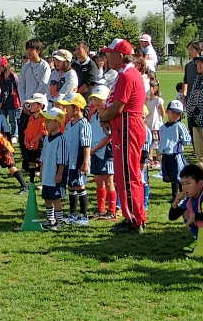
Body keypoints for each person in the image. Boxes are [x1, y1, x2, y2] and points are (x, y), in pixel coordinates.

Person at [98, 39, 148, 233]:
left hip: (128, 124)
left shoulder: (127, 75)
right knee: (122, 174)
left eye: (109, 54)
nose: (106, 57)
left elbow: (118, 107)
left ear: (120, 56)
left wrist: (103, 118)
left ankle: (136, 219)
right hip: (123, 126)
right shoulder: (124, 73)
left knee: (128, 175)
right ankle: (131, 216)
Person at [57, 93, 91, 225]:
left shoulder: (83, 124)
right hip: (69, 161)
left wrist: (85, 162)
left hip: (78, 161)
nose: (66, 110)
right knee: (71, 186)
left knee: (80, 185)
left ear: (76, 108)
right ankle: (73, 213)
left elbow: (86, 144)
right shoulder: (69, 124)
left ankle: (84, 215)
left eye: (68, 107)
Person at [18, 39, 51, 169]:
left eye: (31, 49)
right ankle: (27, 161)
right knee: (23, 134)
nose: (29, 52)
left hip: (39, 107)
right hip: (27, 106)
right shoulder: (25, 67)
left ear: (38, 50)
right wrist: (25, 104)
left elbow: (43, 86)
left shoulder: (44, 66)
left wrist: (33, 104)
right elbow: (21, 86)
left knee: (38, 136)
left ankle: (38, 162)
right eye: (28, 49)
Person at [0, 94, 28, 195]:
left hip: (3, 146)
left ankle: (24, 186)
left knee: (12, 168)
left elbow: (7, 132)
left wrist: (8, 146)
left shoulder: (2, 117)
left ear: (0, 105)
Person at [88, 85, 117, 221]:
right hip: (95, 152)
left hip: (106, 152)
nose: (97, 102)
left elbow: (109, 136)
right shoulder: (93, 116)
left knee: (109, 181)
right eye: (94, 99)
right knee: (99, 181)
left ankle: (112, 211)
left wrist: (94, 149)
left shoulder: (109, 116)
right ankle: (101, 209)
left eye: (100, 99)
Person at [38, 108, 68, 230]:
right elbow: (43, 156)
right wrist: (41, 171)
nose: (46, 124)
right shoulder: (46, 138)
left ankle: (60, 221)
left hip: (55, 174)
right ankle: (50, 219)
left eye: (49, 121)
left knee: (56, 198)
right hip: (46, 173)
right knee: (47, 197)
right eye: (46, 121)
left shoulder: (61, 139)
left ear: (57, 123)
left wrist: (59, 173)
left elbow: (62, 159)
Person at [158, 100, 191, 202]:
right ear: (167, 111)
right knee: (170, 176)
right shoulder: (163, 127)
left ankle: (182, 196)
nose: (175, 115)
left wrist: (181, 141)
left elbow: (187, 140)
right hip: (166, 156)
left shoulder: (180, 126)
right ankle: (174, 195)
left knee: (179, 176)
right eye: (173, 112)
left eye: (178, 113)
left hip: (176, 155)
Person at [23, 93, 48, 185]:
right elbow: (27, 131)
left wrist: (33, 141)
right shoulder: (31, 117)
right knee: (31, 162)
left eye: (33, 104)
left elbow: (42, 132)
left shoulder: (44, 117)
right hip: (30, 144)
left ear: (40, 105)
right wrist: (26, 141)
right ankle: (32, 181)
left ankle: (43, 182)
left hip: (39, 144)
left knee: (41, 163)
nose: (31, 106)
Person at [0, 57, 20, 142]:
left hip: (12, 101)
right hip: (3, 101)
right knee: (2, 118)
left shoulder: (13, 75)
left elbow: (18, 88)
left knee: (13, 120)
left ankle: (14, 135)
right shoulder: (1, 76)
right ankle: (3, 134)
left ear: (4, 66)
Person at [72, 41, 98, 112]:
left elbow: (88, 83)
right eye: (76, 49)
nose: (77, 51)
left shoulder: (91, 65)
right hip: (75, 99)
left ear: (86, 51)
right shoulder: (74, 65)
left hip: (86, 99)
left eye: (79, 49)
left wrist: (76, 93)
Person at [146, 79, 165, 167]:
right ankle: (149, 158)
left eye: (151, 87)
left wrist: (160, 122)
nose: (150, 89)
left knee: (156, 143)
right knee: (149, 142)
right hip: (148, 124)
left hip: (156, 125)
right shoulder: (147, 99)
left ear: (156, 88)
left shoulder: (158, 100)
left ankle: (158, 159)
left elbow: (162, 112)